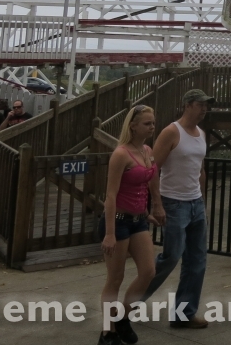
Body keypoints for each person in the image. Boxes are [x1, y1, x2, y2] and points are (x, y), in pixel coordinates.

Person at [142, 89, 211, 330]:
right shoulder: (172, 132)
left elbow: (200, 169)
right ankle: (132, 303)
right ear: (188, 105)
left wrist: (202, 200)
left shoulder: (201, 134)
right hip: (173, 202)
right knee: (170, 257)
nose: (204, 109)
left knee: (197, 260)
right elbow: (153, 169)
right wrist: (157, 203)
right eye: (200, 105)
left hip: (195, 203)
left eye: (206, 105)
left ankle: (184, 314)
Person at [98, 105, 160, 345]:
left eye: (153, 123)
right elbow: (111, 195)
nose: (152, 127)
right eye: (147, 123)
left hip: (138, 221)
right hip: (118, 222)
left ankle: (122, 317)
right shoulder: (121, 154)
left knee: (148, 271)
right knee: (115, 278)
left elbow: (142, 185)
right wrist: (110, 234)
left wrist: (149, 211)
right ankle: (107, 331)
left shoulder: (147, 151)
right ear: (133, 126)